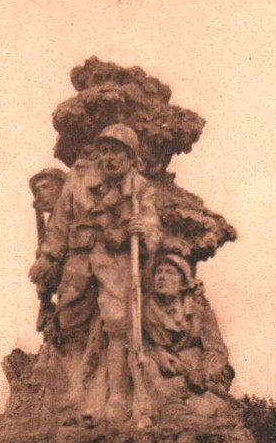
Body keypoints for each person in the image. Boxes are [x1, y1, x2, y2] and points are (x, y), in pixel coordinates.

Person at [29, 124, 161, 423]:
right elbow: (60, 224)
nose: (109, 158)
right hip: (79, 258)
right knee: (67, 319)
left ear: (130, 157)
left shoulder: (138, 187)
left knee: (118, 324)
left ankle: (117, 396)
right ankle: (76, 394)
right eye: (104, 151)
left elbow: (152, 225)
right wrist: (48, 258)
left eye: (116, 152)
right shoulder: (77, 181)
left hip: (115, 261)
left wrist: (145, 230)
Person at [142, 253, 234, 413]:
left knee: (208, 409)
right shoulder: (143, 310)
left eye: (169, 272)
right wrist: (156, 354)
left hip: (196, 373)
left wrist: (203, 372)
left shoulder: (198, 310)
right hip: (162, 374)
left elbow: (217, 350)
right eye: (159, 272)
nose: (162, 277)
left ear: (183, 284)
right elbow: (136, 344)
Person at [29, 168, 67, 338]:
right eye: (37, 191)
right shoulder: (51, 220)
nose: (40, 194)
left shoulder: (68, 214)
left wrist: (46, 257)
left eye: (45, 187)